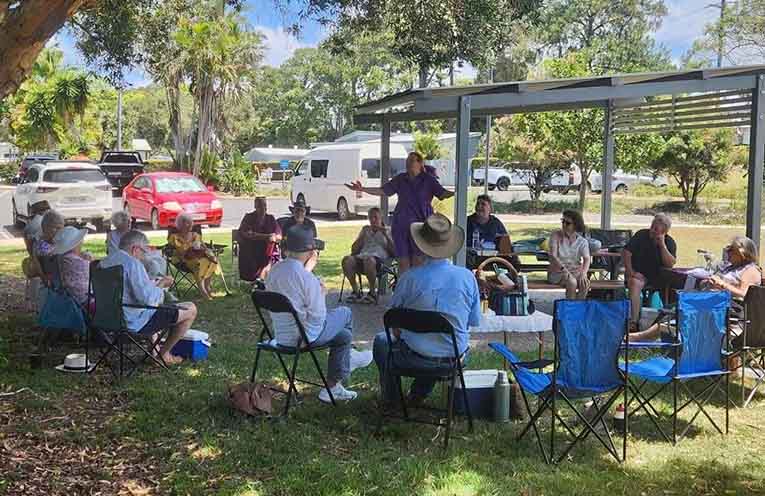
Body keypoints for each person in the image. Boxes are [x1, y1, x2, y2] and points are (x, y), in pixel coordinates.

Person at [373, 213, 481, 408]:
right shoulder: (467, 278)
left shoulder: (408, 278)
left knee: (382, 341)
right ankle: (418, 394)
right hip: (452, 357)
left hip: (413, 356)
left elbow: (392, 319)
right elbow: (472, 322)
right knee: (436, 338)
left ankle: (392, 399)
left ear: (421, 244)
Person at [266, 226, 372, 403]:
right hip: (304, 337)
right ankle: (349, 360)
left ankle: (333, 386)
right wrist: (320, 293)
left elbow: (291, 293)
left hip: (281, 335)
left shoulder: (275, 271)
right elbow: (318, 318)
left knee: (343, 336)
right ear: (310, 251)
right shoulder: (306, 278)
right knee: (345, 312)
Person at [630, 235, 761, 343]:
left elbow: (744, 294)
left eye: (731, 249)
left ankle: (643, 338)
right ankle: (656, 341)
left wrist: (722, 284)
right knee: (671, 307)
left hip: (730, 310)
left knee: (681, 309)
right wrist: (707, 283)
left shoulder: (750, 270)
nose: (727, 252)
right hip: (713, 303)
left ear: (742, 252)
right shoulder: (730, 267)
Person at [345, 151, 454, 273]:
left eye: (412, 160)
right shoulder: (401, 179)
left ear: (420, 163)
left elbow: (442, 193)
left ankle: (415, 290)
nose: (408, 163)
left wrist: (456, 191)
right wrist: (362, 189)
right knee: (403, 263)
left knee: (418, 261)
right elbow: (383, 191)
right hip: (401, 225)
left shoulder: (428, 180)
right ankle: (404, 290)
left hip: (420, 227)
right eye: (407, 161)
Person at [100, 230, 197, 365]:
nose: (143, 256)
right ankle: (164, 355)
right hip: (132, 322)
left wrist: (152, 285)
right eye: (144, 252)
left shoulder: (104, 263)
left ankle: (154, 352)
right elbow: (147, 299)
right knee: (191, 308)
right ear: (135, 249)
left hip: (108, 319)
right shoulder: (132, 263)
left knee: (151, 309)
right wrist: (162, 284)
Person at [623, 213, 677, 330]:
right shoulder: (641, 235)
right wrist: (631, 271)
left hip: (660, 277)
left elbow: (670, 263)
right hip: (639, 274)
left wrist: (662, 246)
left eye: (656, 229)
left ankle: (667, 321)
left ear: (664, 232)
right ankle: (634, 322)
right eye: (652, 226)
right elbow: (627, 252)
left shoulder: (669, 242)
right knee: (634, 283)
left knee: (676, 286)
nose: (652, 230)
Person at [341, 207, 395, 304]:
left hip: (379, 260)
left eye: (375, 217)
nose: (373, 220)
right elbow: (353, 250)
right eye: (370, 218)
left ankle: (372, 293)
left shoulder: (388, 230)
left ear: (381, 218)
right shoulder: (365, 230)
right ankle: (356, 291)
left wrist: (386, 235)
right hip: (362, 257)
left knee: (369, 260)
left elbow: (394, 252)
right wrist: (362, 237)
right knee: (347, 260)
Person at [167, 213, 221, 299]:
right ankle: (203, 291)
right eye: (188, 223)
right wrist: (186, 250)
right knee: (198, 264)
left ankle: (207, 287)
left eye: (191, 222)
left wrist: (204, 249)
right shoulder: (174, 237)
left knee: (212, 262)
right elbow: (171, 250)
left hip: (197, 257)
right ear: (181, 224)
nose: (191, 224)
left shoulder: (196, 235)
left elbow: (204, 247)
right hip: (182, 260)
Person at [547, 210, 591, 299]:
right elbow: (553, 256)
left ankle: (577, 309)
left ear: (575, 225)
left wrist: (583, 273)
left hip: (575, 271)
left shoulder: (582, 241)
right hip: (558, 272)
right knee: (572, 282)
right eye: (563, 221)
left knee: (585, 283)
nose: (564, 225)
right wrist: (565, 271)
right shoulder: (555, 235)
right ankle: (571, 310)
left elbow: (587, 259)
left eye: (567, 223)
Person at [237, 197, 282, 282]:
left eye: (264, 205)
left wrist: (274, 237)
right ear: (255, 206)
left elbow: (279, 235)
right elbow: (247, 233)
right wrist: (266, 236)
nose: (263, 208)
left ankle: (263, 278)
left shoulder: (271, 218)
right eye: (260, 206)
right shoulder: (248, 217)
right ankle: (257, 279)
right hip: (251, 250)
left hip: (268, 251)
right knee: (250, 255)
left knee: (272, 256)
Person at [52, 226, 92, 305]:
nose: (82, 242)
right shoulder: (76, 261)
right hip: (83, 298)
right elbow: (93, 272)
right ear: (75, 244)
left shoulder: (61, 258)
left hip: (67, 295)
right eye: (80, 241)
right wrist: (89, 260)